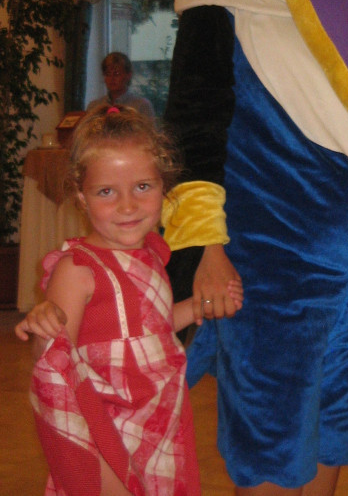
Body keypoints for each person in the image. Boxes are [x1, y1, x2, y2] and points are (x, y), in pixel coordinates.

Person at [160, 0, 348, 494]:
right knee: (269, 434)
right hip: (274, 256)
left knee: (334, 423)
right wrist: (206, 247)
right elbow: (193, 126)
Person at [13, 105, 243, 495]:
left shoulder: (152, 253)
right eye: (107, 191)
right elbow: (53, 361)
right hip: (107, 429)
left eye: (143, 187)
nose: (128, 205)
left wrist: (201, 306)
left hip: (156, 422)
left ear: (163, 185)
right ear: (81, 197)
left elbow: (154, 329)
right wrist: (44, 323)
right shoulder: (78, 269)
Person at [87, 52, 156, 120]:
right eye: (108, 74)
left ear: (128, 75)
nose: (111, 78)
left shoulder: (141, 106)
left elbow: (149, 127)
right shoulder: (94, 107)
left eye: (116, 74)